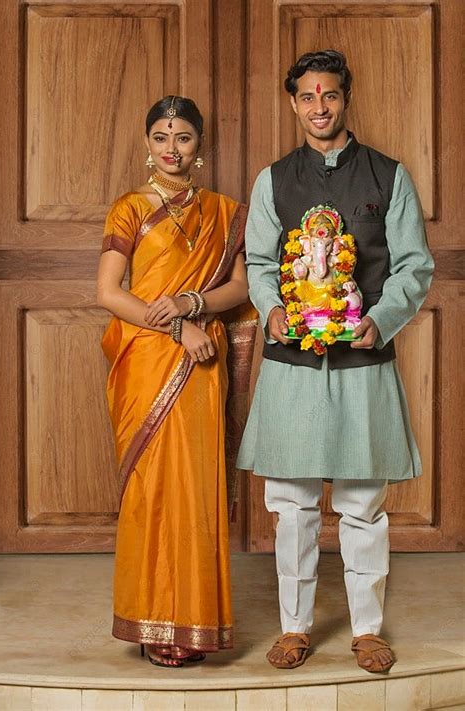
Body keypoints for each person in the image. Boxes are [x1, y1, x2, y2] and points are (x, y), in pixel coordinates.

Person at [237, 50, 434, 673]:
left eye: (329, 96)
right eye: (306, 97)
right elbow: (260, 264)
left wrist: (380, 319)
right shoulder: (273, 179)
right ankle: (294, 627)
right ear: (293, 102)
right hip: (291, 362)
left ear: (346, 98)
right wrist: (270, 307)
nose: (318, 107)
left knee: (362, 505)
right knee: (290, 506)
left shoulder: (388, 175)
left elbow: (414, 267)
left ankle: (366, 630)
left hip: (362, 360)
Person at [97, 96, 256, 668]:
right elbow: (110, 293)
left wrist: (193, 305)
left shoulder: (225, 210)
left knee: (195, 488)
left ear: (200, 147)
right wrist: (177, 327)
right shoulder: (129, 209)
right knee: (152, 490)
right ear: (146, 144)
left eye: (183, 137)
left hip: (201, 362)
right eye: (161, 136)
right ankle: (149, 617)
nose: (171, 148)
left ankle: (193, 622)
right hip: (147, 359)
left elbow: (240, 288)